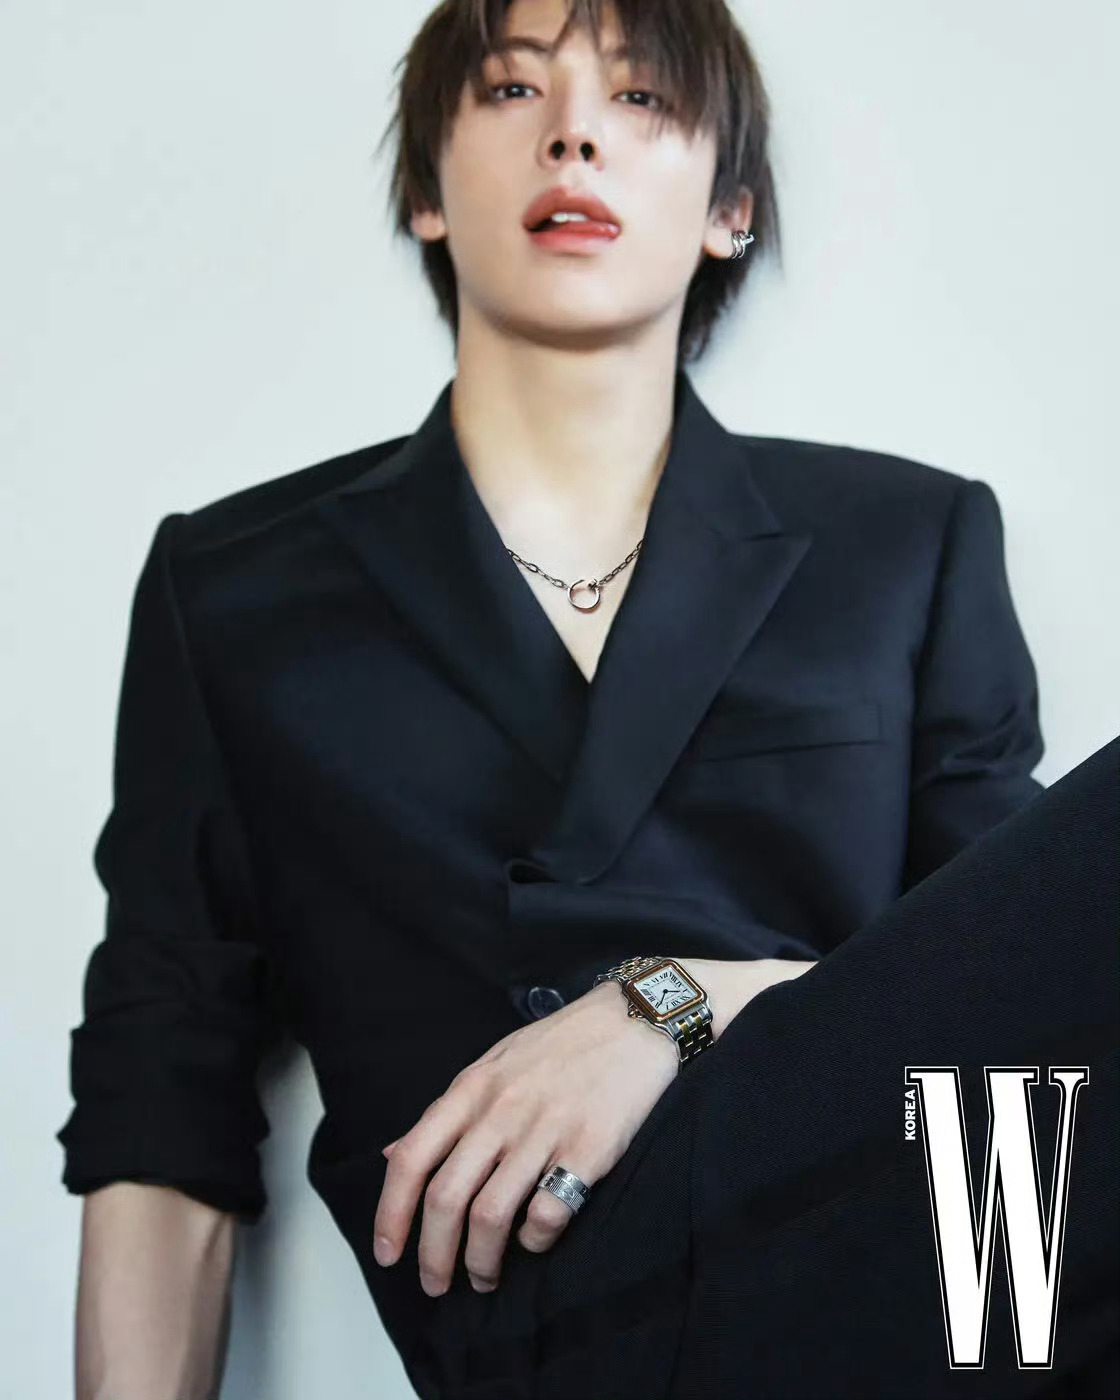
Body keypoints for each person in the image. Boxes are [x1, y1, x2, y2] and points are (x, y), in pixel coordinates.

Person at [55, 1, 1117, 1397]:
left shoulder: (903, 540)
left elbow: (1020, 992)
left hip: (924, 1260)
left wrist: (681, 1004)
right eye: (512, 90)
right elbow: (160, 1091)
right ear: (428, 192)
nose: (574, 133)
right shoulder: (240, 587)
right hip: (550, 1295)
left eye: (642, 100)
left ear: (731, 208)